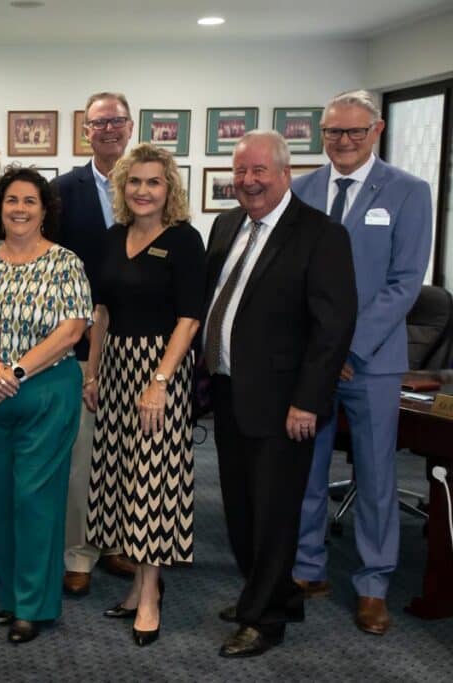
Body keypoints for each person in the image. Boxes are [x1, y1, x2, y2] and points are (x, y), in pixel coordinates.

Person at [204, 130, 356, 658]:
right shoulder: (226, 227)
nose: (248, 182)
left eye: (259, 171)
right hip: (228, 391)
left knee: (273, 511)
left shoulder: (320, 234)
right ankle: (275, 593)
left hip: (284, 403)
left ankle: (263, 619)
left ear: (286, 174)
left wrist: (309, 400)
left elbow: (333, 328)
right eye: (240, 172)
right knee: (241, 509)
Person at [292, 90, 432, 635]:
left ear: (375, 131)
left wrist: (347, 350)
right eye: (333, 132)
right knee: (307, 467)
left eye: (354, 132)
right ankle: (308, 566)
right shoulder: (301, 190)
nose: (343, 142)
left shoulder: (408, 191)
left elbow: (403, 285)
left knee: (375, 475)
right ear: (321, 134)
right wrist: (318, 352)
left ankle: (374, 584)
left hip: (370, 364)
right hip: (311, 360)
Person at [0, 166, 91, 644]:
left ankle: (35, 605)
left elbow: (72, 330)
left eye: (29, 201)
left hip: (44, 392)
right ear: (0, 208)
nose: (19, 209)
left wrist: (12, 372)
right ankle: (12, 596)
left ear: (44, 210)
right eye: (11, 200)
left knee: (35, 498)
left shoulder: (65, 263)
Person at [84, 144, 206, 646]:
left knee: (154, 479)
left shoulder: (184, 240)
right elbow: (101, 314)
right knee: (121, 476)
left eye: (153, 182)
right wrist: (91, 374)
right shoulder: (113, 238)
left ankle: (151, 593)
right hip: (115, 365)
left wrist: (159, 381)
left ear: (169, 188)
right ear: (122, 187)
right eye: (134, 181)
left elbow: (190, 317)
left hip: (162, 367)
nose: (142, 191)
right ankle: (136, 584)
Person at [53, 92, 137, 597]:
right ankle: (79, 551)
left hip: (140, 338)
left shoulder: (152, 182)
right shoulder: (64, 190)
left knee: (129, 449)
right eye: (99, 122)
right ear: (87, 130)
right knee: (84, 453)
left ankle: (119, 543)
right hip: (82, 341)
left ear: (131, 126)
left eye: (117, 121)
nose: (108, 129)